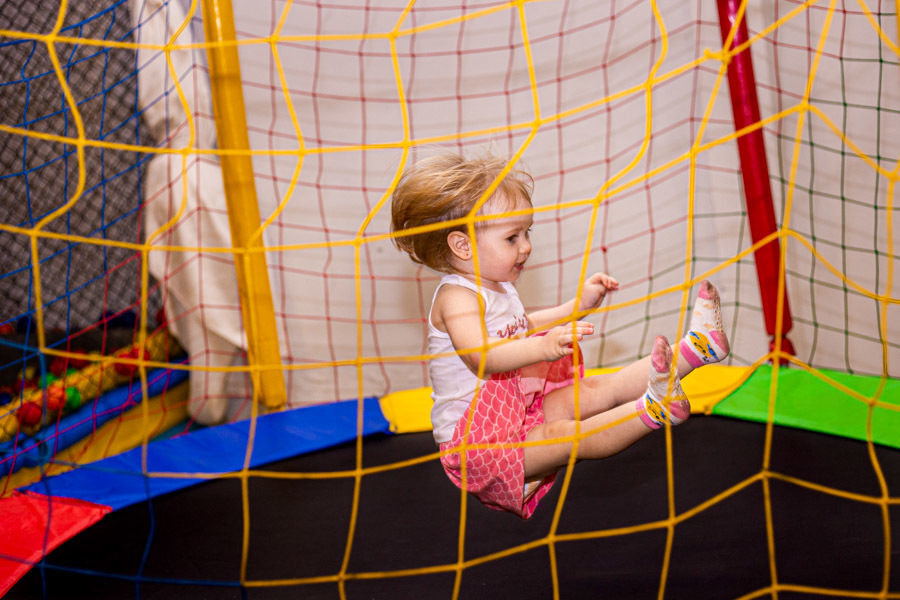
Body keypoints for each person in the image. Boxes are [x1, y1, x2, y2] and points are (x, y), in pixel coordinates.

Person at [390, 152, 730, 519]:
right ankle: (653, 409)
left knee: (599, 389)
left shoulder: (497, 287)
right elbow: (483, 358)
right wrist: (544, 347)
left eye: (527, 233)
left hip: (517, 409)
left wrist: (577, 306)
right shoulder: (455, 296)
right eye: (512, 237)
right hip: (479, 443)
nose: (526, 246)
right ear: (463, 245)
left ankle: (699, 347)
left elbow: (522, 326)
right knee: (571, 437)